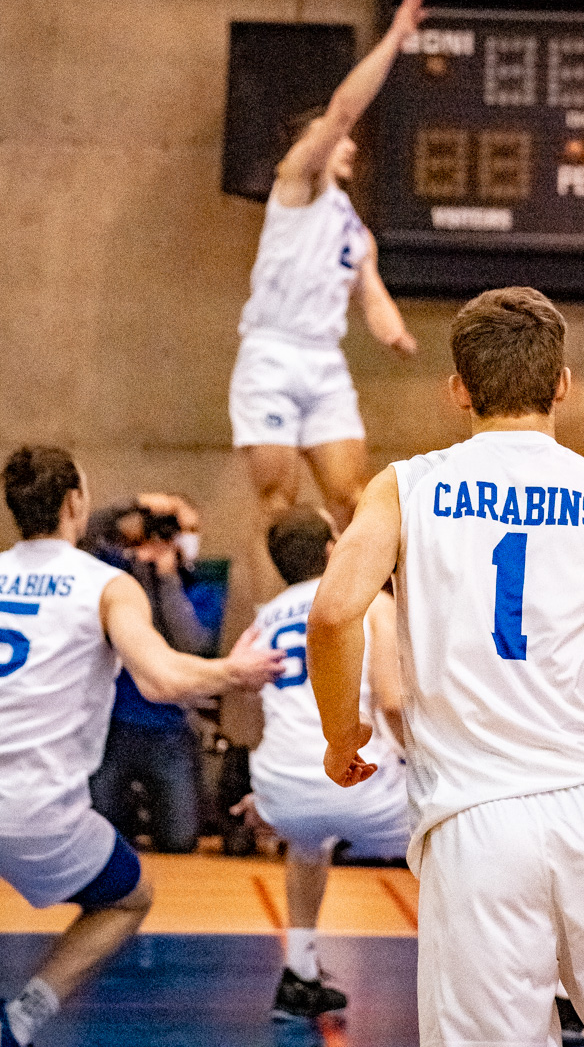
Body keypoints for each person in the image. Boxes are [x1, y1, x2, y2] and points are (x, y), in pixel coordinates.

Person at [308, 287, 584, 1047]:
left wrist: (339, 733)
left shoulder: (405, 487)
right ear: (561, 383)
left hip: (475, 823)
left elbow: (332, 613)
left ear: (458, 389)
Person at [0, 447, 284, 1047]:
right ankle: (19, 1019)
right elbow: (163, 678)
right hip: (35, 811)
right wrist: (236, 671)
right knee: (128, 899)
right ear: (75, 502)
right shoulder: (106, 585)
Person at [229, 0, 425, 539]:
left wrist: (396, 335)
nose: (349, 144)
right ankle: (292, 611)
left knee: (353, 498)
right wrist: (394, 38)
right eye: (335, 138)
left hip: (323, 360)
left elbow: (372, 295)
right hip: (271, 355)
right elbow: (342, 112)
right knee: (280, 502)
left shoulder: (355, 228)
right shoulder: (298, 185)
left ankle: (356, 610)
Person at [235, 506, 408, 1022]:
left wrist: (267, 792)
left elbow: (247, 709)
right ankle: (546, 988)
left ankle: (299, 973)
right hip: (358, 783)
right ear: (334, 551)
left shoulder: (264, 617)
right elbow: (394, 703)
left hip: (281, 789)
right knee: (462, 836)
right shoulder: (369, 603)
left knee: (308, 841)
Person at [88, 495, 212, 853]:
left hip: (170, 731)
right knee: (103, 835)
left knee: (180, 840)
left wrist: (168, 579)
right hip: (114, 727)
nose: (167, 539)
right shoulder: (116, 575)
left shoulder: (198, 585)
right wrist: (136, 503)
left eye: (182, 531)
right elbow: (84, 533)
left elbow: (193, 644)